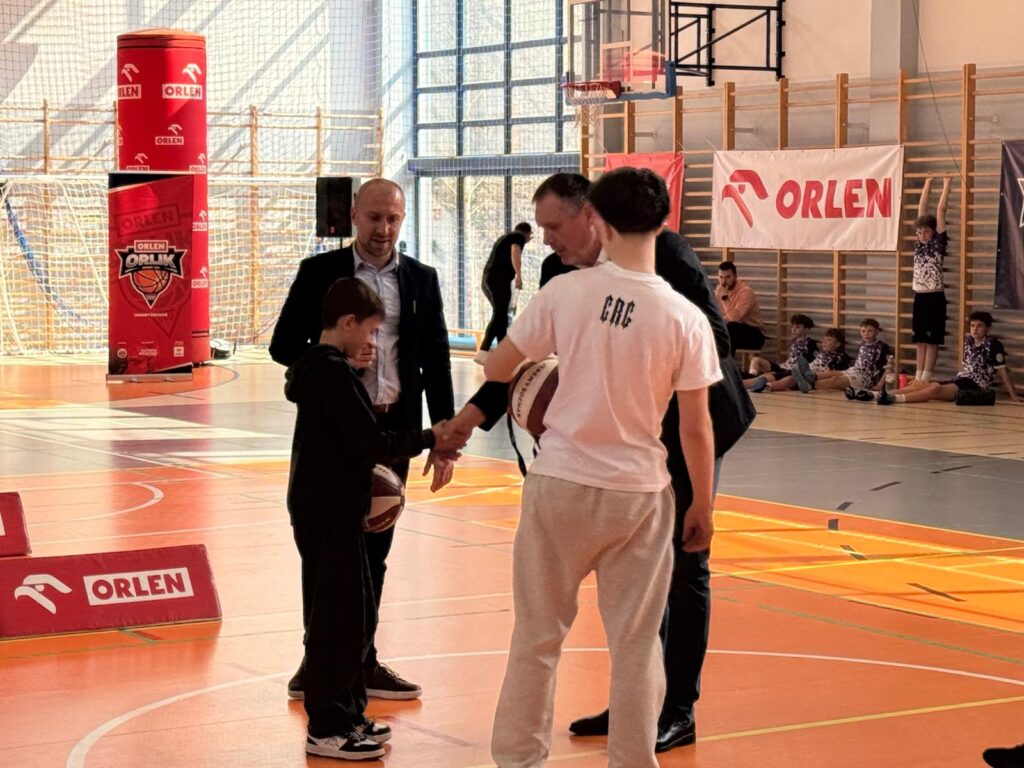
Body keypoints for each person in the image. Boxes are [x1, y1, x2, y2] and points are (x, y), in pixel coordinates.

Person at [443, 172, 756, 753]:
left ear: (595, 218)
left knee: (566, 623)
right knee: (637, 640)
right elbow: (535, 367)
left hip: (614, 462)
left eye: (554, 226)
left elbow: (504, 364)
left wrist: (593, 367)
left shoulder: (656, 267)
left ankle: (673, 711)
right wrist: (467, 420)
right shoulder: (581, 282)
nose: (547, 240)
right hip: (638, 476)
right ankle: (632, 739)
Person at [270, 178, 456, 701]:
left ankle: (363, 660)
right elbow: (283, 346)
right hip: (332, 432)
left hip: (392, 432)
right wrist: (335, 356)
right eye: (374, 217)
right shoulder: (320, 272)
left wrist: (442, 437)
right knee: (326, 554)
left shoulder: (421, 279)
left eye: (393, 219)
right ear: (353, 214)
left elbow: (436, 358)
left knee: (375, 548)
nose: (383, 229)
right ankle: (317, 662)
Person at [284, 278, 464, 760]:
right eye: (368, 331)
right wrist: (431, 436)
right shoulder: (330, 376)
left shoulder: (327, 369)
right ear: (347, 323)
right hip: (328, 513)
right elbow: (371, 444)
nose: (371, 342)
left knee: (353, 615)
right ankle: (327, 728)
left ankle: (349, 715)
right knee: (335, 621)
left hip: (331, 510)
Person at [875, 311, 1021, 405]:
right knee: (923, 384)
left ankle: (896, 399)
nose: (975, 329)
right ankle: (877, 394)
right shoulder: (968, 341)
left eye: (980, 326)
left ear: (987, 328)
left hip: (976, 385)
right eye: (972, 326)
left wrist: (1012, 395)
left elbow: (1002, 370)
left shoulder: (992, 344)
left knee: (935, 388)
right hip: (962, 379)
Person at [912, 176, 952, 383]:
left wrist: (946, 185)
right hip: (919, 296)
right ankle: (918, 376)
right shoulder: (919, 244)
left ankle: (926, 377)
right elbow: (921, 210)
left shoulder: (938, 243)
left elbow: (940, 211)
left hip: (934, 297)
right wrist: (927, 183)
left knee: (932, 340)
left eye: (926, 231)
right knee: (920, 340)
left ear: (933, 231)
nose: (922, 235)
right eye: (920, 232)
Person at [476, 222, 533, 363]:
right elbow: (515, 251)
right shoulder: (518, 237)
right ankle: (483, 350)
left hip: (487, 280)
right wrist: (519, 275)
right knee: (499, 315)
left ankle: (502, 352)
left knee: (501, 316)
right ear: (527, 233)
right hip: (498, 280)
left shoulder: (506, 237)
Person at [792, 318, 890, 399]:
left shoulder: (882, 347)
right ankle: (810, 377)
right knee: (831, 373)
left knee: (835, 380)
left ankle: (809, 385)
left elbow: (889, 367)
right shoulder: (863, 345)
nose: (866, 334)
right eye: (863, 331)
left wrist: (879, 385)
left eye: (870, 331)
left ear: (877, 331)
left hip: (865, 378)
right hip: (854, 371)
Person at [751, 327, 850, 393]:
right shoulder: (821, 354)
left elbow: (837, 373)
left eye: (828, 340)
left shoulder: (841, 357)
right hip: (805, 371)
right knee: (778, 376)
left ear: (837, 344)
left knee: (790, 379)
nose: (824, 342)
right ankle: (754, 384)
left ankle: (767, 386)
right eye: (823, 340)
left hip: (815, 375)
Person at [745, 314, 817, 391]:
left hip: (792, 370)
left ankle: (753, 384)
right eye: (793, 327)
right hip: (783, 367)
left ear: (806, 329)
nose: (794, 329)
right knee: (756, 359)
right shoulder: (792, 341)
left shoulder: (810, 343)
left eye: (797, 327)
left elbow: (811, 361)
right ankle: (751, 376)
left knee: (767, 376)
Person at [716, 260, 765, 351]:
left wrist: (725, 298)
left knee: (731, 328)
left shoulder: (746, 292)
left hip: (754, 334)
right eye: (721, 277)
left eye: (728, 277)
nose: (723, 282)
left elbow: (735, 318)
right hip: (732, 331)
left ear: (735, 276)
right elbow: (719, 315)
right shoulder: (720, 291)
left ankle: (726, 360)